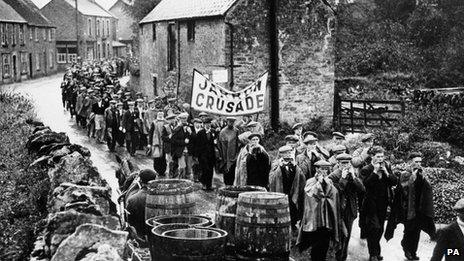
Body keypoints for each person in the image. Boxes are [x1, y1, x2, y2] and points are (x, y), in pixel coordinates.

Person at [385, 152, 436, 261]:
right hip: (407, 207)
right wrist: (413, 176)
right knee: (409, 229)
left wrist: (422, 177)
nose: (418, 164)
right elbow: (404, 190)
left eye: (420, 162)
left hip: (419, 207)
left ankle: (413, 251)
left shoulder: (421, 172)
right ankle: (406, 248)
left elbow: (427, 187)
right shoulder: (405, 174)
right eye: (416, 161)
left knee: (417, 230)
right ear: (410, 162)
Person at [297, 159, 343, 261]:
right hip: (315, 219)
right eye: (322, 169)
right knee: (316, 244)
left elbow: (334, 196)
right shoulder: (310, 182)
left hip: (327, 218)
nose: (324, 172)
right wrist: (319, 183)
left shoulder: (329, 182)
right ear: (316, 169)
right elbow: (311, 195)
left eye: (327, 170)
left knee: (324, 244)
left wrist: (327, 184)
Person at [359, 146, 397, 261]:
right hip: (370, 203)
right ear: (372, 156)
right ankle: (373, 254)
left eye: (382, 156)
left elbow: (394, 181)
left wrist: (386, 172)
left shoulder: (387, 167)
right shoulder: (366, 169)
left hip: (383, 203)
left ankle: (377, 251)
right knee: (374, 228)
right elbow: (366, 184)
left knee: (380, 228)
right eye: (378, 156)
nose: (381, 159)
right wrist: (375, 172)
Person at [328, 153, 365, 261]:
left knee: (347, 235)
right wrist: (343, 179)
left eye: (348, 163)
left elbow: (362, 189)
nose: (346, 165)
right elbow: (335, 193)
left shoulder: (352, 175)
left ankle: (343, 256)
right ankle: (337, 256)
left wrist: (354, 177)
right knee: (340, 235)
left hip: (350, 209)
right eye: (343, 163)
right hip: (338, 210)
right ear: (338, 164)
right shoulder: (333, 176)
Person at [269, 145, 306, 231]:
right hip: (281, 190)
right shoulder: (276, 163)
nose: (288, 154)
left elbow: (302, 178)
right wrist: (280, 167)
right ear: (281, 154)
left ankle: (293, 226)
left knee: (293, 209)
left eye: (289, 152)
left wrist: (296, 167)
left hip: (292, 192)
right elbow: (272, 178)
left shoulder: (294, 164)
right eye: (286, 153)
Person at [125, 169, 157, 237]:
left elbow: (128, 221)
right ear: (154, 180)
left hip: (139, 235)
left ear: (141, 181)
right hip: (156, 233)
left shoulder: (132, 200)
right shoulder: (161, 199)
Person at [196, 118, 217, 191]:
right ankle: (204, 184)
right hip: (203, 155)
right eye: (206, 124)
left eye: (209, 123)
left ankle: (209, 185)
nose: (208, 125)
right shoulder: (200, 133)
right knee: (204, 169)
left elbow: (214, 143)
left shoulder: (212, 132)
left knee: (210, 170)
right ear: (204, 124)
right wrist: (198, 156)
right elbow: (197, 145)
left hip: (211, 155)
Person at [218, 117, 239, 185]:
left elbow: (238, 143)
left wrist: (237, 154)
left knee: (232, 172)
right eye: (230, 122)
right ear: (227, 122)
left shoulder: (236, 131)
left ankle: (231, 185)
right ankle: (226, 186)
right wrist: (220, 155)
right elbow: (219, 145)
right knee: (226, 172)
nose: (231, 123)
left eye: (232, 122)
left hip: (233, 155)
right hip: (225, 155)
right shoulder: (223, 132)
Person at [168, 113, 190, 178]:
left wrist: (190, 133)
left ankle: (181, 178)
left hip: (186, 149)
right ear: (180, 119)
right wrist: (183, 142)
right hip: (178, 150)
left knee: (186, 166)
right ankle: (179, 179)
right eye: (182, 119)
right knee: (181, 166)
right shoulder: (177, 128)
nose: (184, 120)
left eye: (185, 119)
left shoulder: (188, 127)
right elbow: (173, 140)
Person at [148, 112, 167, 176]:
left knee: (163, 157)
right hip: (156, 142)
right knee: (156, 157)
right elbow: (150, 133)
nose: (160, 115)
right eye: (159, 114)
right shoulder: (154, 122)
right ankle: (157, 170)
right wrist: (149, 143)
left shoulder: (165, 122)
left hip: (164, 142)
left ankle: (163, 171)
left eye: (161, 114)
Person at [188, 118, 203, 182]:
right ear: (194, 124)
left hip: (201, 151)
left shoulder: (202, 131)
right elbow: (190, 142)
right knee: (195, 165)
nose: (198, 125)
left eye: (199, 123)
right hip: (194, 151)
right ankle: (195, 177)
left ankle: (200, 177)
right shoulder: (191, 131)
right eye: (196, 123)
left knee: (200, 165)